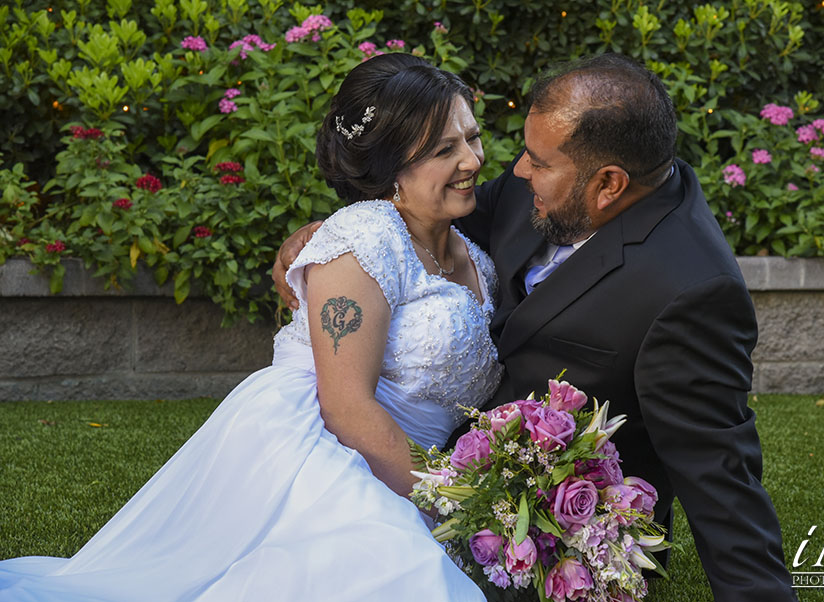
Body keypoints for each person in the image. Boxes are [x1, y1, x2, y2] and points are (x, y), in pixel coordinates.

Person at [274, 53, 797, 601]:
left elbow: (719, 469)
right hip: (422, 474)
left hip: (560, 527)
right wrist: (330, 236)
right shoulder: (550, 180)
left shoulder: (690, 288)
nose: (514, 170)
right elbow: (413, 218)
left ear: (608, 184)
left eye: (538, 163)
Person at [0, 53, 501, 601]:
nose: (473, 159)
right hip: (323, 450)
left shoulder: (476, 256)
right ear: (390, 168)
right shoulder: (364, 237)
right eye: (444, 150)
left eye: (472, 138)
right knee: (397, 577)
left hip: (407, 463)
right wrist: (457, 498)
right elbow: (346, 408)